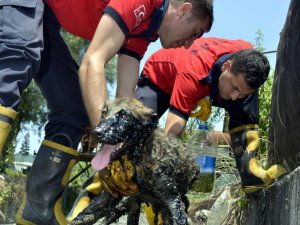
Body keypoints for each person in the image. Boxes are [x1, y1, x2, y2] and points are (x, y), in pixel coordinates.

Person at [0, 0, 213, 224]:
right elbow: (93, 62)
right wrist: (109, 147)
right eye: (194, 33)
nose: (190, 44)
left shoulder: (144, 30)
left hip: (48, 19)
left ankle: (38, 216)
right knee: (14, 65)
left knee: (73, 109)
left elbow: (125, 97)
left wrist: (134, 157)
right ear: (184, 9)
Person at [135, 37, 286, 193]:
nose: (235, 97)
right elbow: (171, 134)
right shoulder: (194, 73)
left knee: (245, 104)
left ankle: (250, 177)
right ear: (227, 66)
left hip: (205, 79)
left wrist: (210, 94)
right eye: (234, 88)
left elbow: (241, 102)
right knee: (136, 130)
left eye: (241, 92)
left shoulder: (245, 60)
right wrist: (160, 185)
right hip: (160, 79)